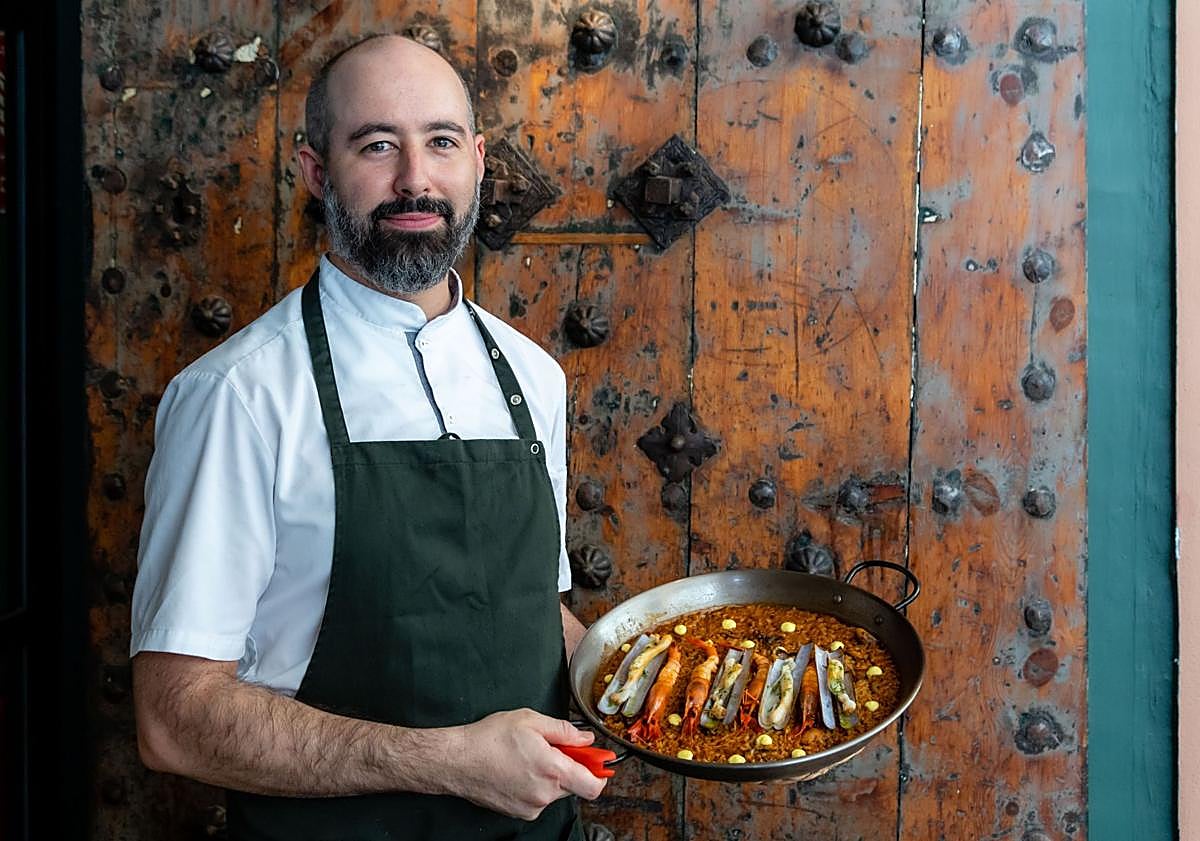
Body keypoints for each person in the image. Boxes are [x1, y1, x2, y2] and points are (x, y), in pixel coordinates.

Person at [130, 33, 607, 840]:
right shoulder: (237, 396)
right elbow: (174, 718)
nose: (416, 179)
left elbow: (533, 610)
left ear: (480, 161)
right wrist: (448, 759)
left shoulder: (535, 376)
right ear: (317, 170)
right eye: (378, 144)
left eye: (441, 142)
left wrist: (649, 676)